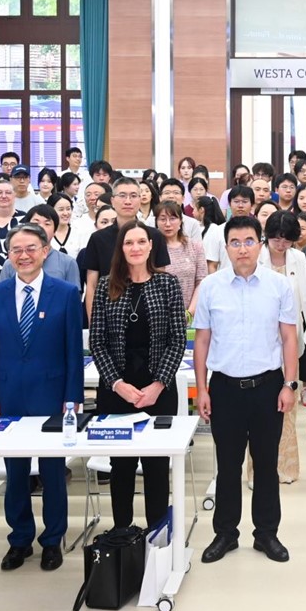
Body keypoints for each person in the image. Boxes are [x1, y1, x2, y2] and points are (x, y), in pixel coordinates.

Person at [195, 214, 300, 564]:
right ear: (226, 247)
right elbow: (202, 341)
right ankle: (225, 533)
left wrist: (289, 384)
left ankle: (266, 533)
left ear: (261, 244)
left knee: (266, 464)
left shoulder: (278, 286)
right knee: (228, 465)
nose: (242, 249)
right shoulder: (211, 287)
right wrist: (202, 389)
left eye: (249, 241)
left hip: (268, 387)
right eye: (235, 243)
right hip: (224, 388)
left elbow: (289, 338)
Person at [0, 224, 85, 571]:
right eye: (16, 250)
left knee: (53, 472)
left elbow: (73, 351)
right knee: (16, 472)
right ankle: (20, 539)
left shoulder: (65, 293)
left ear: (45, 251)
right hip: (8, 397)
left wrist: (72, 397)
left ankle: (52, 540)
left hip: (52, 396)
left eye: (30, 249)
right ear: (9, 254)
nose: (23, 256)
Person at [91, 222, 187, 531]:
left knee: (156, 466)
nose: (135, 248)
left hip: (158, 389)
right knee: (121, 467)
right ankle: (122, 535)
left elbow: (177, 339)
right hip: (117, 390)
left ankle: (156, 536)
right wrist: (118, 385)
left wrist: (158, 385)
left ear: (150, 246)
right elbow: (97, 342)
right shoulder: (106, 286)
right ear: (121, 248)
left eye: (141, 242)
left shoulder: (168, 284)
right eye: (129, 242)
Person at [259, 211, 306, 484]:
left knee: (287, 405)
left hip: (290, 337)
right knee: (260, 409)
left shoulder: (298, 258)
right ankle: (259, 470)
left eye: (286, 240)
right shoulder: (256, 257)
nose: (280, 245)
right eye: (276, 239)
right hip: (260, 339)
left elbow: (304, 300)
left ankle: (287, 467)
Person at [81, 177, 170, 318]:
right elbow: (91, 286)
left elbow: (161, 282)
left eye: (133, 196)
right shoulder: (98, 238)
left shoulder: (155, 236)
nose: (128, 201)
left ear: (140, 199)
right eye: (122, 195)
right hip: (110, 314)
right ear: (112, 201)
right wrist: (94, 322)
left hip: (148, 312)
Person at [0, 203, 82, 286]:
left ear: (55, 231)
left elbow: (73, 293)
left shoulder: (68, 263)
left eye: (47, 224)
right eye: (35, 223)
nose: (41, 227)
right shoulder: (11, 263)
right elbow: (2, 291)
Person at [156, 200, 207, 312]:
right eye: (162, 219)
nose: (167, 224)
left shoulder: (195, 246)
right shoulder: (152, 248)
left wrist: (190, 312)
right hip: (160, 313)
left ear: (180, 221)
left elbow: (201, 281)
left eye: (172, 218)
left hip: (191, 313)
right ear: (156, 222)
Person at [205, 185, 255, 274]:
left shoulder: (257, 231)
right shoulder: (217, 231)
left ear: (252, 205)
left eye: (244, 202)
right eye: (236, 201)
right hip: (224, 280)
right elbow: (212, 265)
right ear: (229, 204)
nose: (240, 205)